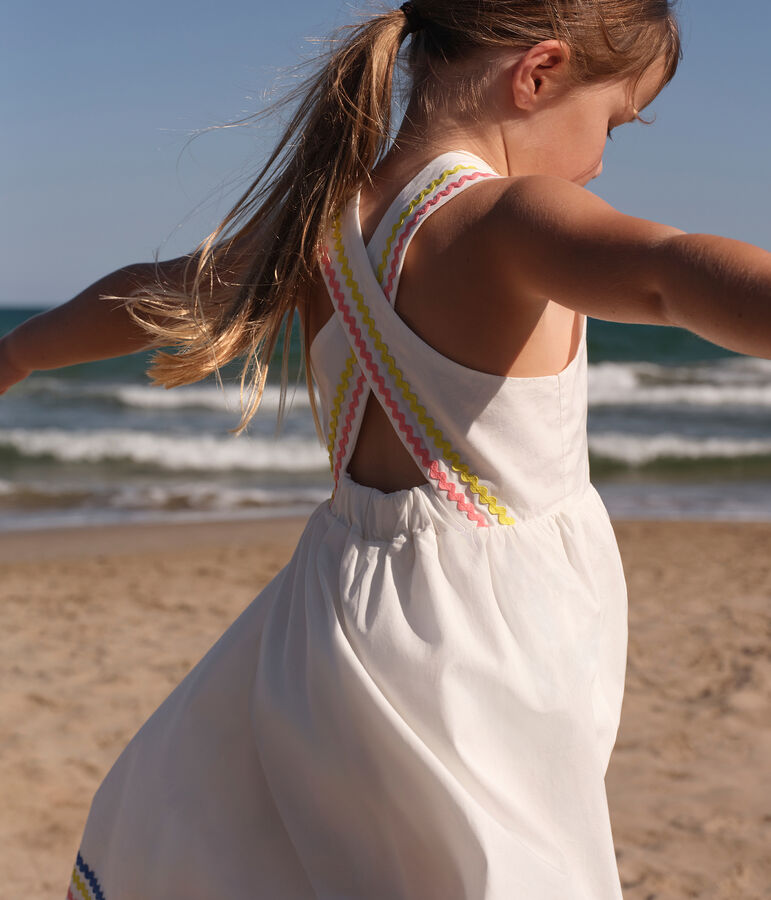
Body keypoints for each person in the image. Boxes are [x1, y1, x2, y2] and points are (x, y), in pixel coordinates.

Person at [3, 1, 770, 897]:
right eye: (611, 123)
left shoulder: (317, 230)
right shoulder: (505, 219)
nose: (601, 158)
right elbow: (668, 272)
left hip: (329, 616)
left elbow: (156, 292)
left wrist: (17, 352)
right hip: (480, 641)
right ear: (538, 73)